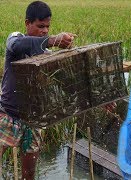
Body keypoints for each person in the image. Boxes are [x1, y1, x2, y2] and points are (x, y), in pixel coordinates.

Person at [0, 1, 76, 179]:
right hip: (7, 115)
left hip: (33, 122)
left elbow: (67, 82)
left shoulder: (45, 54)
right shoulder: (16, 39)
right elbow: (17, 46)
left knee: (29, 173)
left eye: (48, 27)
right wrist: (53, 39)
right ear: (28, 23)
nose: (45, 31)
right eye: (40, 26)